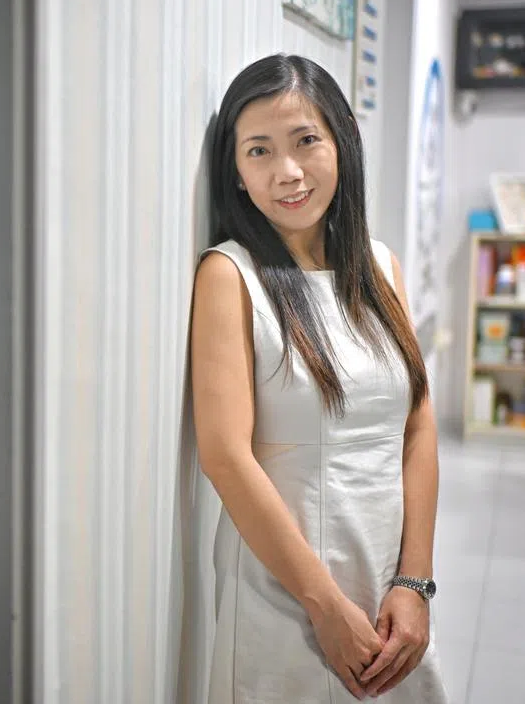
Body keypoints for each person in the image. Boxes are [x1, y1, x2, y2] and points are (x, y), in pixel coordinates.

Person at [189, 54, 449, 703]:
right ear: (237, 175)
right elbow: (224, 456)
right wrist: (326, 610)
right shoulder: (231, 275)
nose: (289, 172)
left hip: (391, 592)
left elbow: (418, 426)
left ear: (342, 142)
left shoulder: (380, 266)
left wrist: (414, 586)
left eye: (306, 140)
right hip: (286, 597)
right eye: (259, 151)